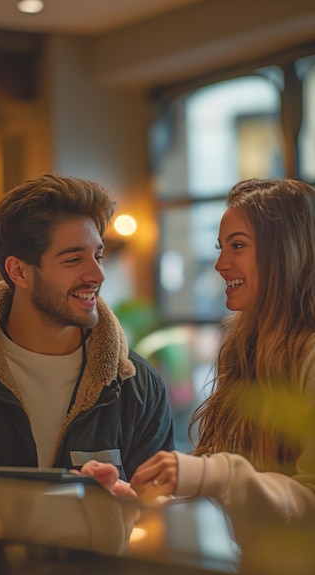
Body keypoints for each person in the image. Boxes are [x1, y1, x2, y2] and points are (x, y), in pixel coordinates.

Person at [0, 173, 174, 492]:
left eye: (98, 256)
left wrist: (125, 506)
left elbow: (159, 514)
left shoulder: (138, 386)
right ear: (19, 271)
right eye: (74, 259)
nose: (97, 274)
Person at [130, 178, 315, 525]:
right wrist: (143, 500)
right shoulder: (243, 349)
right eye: (220, 248)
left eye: (238, 245)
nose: (220, 264)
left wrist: (212, 475)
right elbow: (230, 488)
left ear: (285, 251)